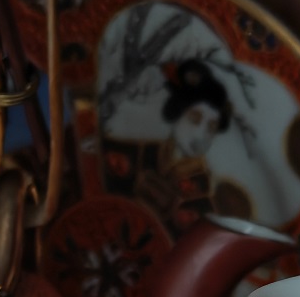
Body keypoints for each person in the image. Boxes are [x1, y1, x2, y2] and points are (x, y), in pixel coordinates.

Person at [105, 58, 252, 230]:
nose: (201, 134)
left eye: (211, 128)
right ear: (179, 113)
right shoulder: (145, 148)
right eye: (195, 119)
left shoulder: (200, 184)